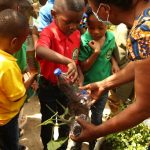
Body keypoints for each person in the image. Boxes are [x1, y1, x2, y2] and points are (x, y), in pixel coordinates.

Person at [71, 0, 150, 143]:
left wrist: (96, 131)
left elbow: (144, 107)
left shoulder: (143, 32)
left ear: (103, 9)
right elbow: (143, 65)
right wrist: (104, 84)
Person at [35, 0, 85, 149]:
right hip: (49, 87)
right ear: (54, 15)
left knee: (65, 121)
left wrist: (79, 73)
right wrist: (67, 61)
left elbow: (75, 60)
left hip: (67, 88)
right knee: (49, 122)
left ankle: (62, 147)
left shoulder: (76, 34)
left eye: (78, 21)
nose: (73, 26)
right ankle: (48, 147)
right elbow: (40, 50)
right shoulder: (48, 33)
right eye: (68, 21)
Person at [78, 7, 119, 149]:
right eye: (91, 27)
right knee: (81, 118)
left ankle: (92, 145)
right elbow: (83, 67)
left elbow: (109, 54)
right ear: (86, 26)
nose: (96, 31)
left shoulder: (111, 37)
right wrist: (95, 52)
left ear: (107, 25)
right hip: (86, 89)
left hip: (104, 87)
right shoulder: (83, 41)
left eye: (100, 28)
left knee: (97, 118)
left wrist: (114, 63)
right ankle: (77, 144)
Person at [0, 9, 36, 150]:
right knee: (10, 142)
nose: (22, 46)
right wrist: (31, 77)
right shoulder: (8, 65)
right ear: (14, 42)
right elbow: (16, 95)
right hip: (6, 118)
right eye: (22, 43)